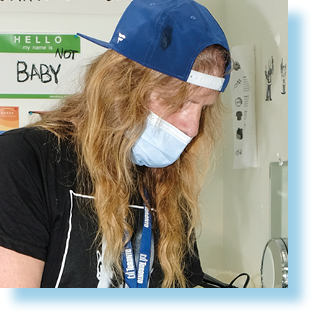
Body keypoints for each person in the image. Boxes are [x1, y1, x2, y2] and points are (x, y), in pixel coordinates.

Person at [0, 0, 231, 288]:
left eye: (203, 107)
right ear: (123, 86)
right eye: (181, 101)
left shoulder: (169, 187)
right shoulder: (23, 162)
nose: (192, 126)